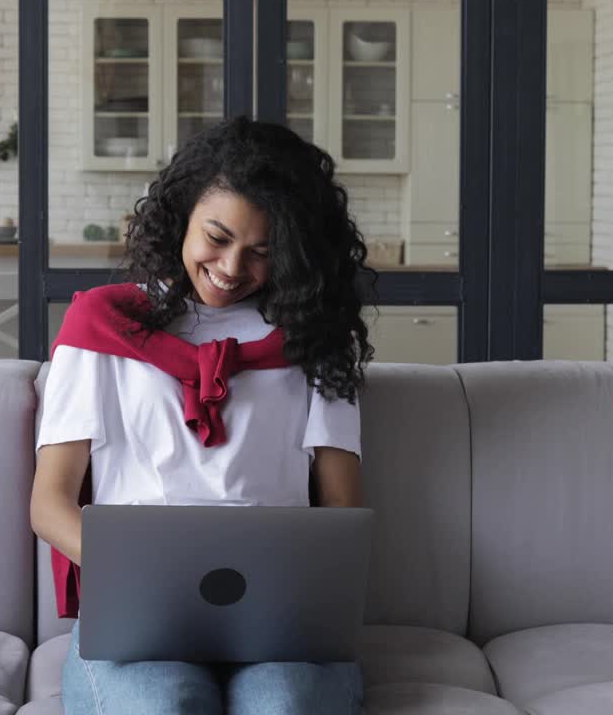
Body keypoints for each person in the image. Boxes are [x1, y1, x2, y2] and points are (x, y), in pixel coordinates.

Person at [30, 116, 374, 715]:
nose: (232, 267)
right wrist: (149, 576)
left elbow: (342, 514)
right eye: (217, 236)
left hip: (283, 615)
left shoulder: (315, 341)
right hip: (137, 613)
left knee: (283, 708)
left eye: (261, 252)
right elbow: (49, 502)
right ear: (183, 215)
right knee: (163, 708)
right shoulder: (99, 327)